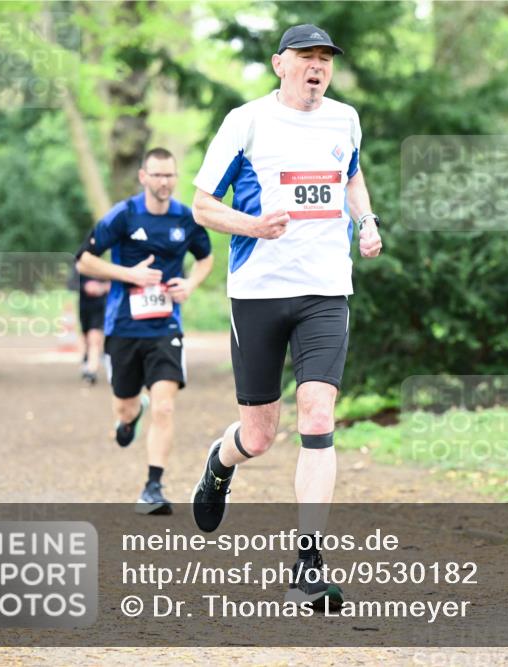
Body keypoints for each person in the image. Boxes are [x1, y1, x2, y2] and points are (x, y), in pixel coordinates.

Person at [189, 24, 382, 610]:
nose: (317, 67)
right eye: (306, 57)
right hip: (258, 293)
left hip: (325, 291)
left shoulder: (344, 119)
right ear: (280, 64)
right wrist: (253, 225)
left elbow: (350, 174)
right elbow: (202, 207)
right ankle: (219, 466)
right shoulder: (245, 122)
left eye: (325, 58)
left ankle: (308, 559)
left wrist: (367, 221)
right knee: (260, 434)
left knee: (318, 409)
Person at [75, 147, 214, 515]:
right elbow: (84, 260)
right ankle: (129, 416)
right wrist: (129, 275)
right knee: (124, 404)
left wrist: (192, 284)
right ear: (143, 177)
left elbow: (206, 257)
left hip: (166, 326)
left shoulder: (186, 218)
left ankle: (153, 486)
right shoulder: (124, 215)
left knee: (165, 407)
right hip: (123, 326)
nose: (165, 182)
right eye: (157, 175)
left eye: (170, 175)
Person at [71, 266, 110, 385]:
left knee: (95, 337)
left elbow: (114, 284)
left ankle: (91, 371)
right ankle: (86, 360)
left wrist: (102, 288)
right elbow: (71, 284)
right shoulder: (80, 267)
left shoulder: (105, 267)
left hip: (100, 307)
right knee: (85, 337)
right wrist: (85, 286)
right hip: (84, 308)